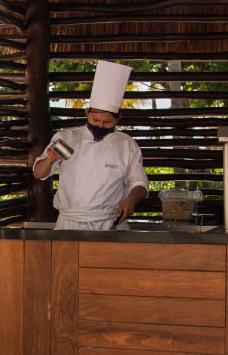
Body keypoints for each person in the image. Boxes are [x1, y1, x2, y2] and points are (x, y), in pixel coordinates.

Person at [31, 61, 148, 230]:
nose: (100, 125)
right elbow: (38, 173)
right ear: (87, 113)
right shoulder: (67, 137)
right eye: (95, 120)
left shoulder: (126, 145)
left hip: (110, 224)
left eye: (107, 122)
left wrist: (131, 199)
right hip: (69, 224)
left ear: (118, 119)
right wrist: (49, 160)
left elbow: (140, 185)